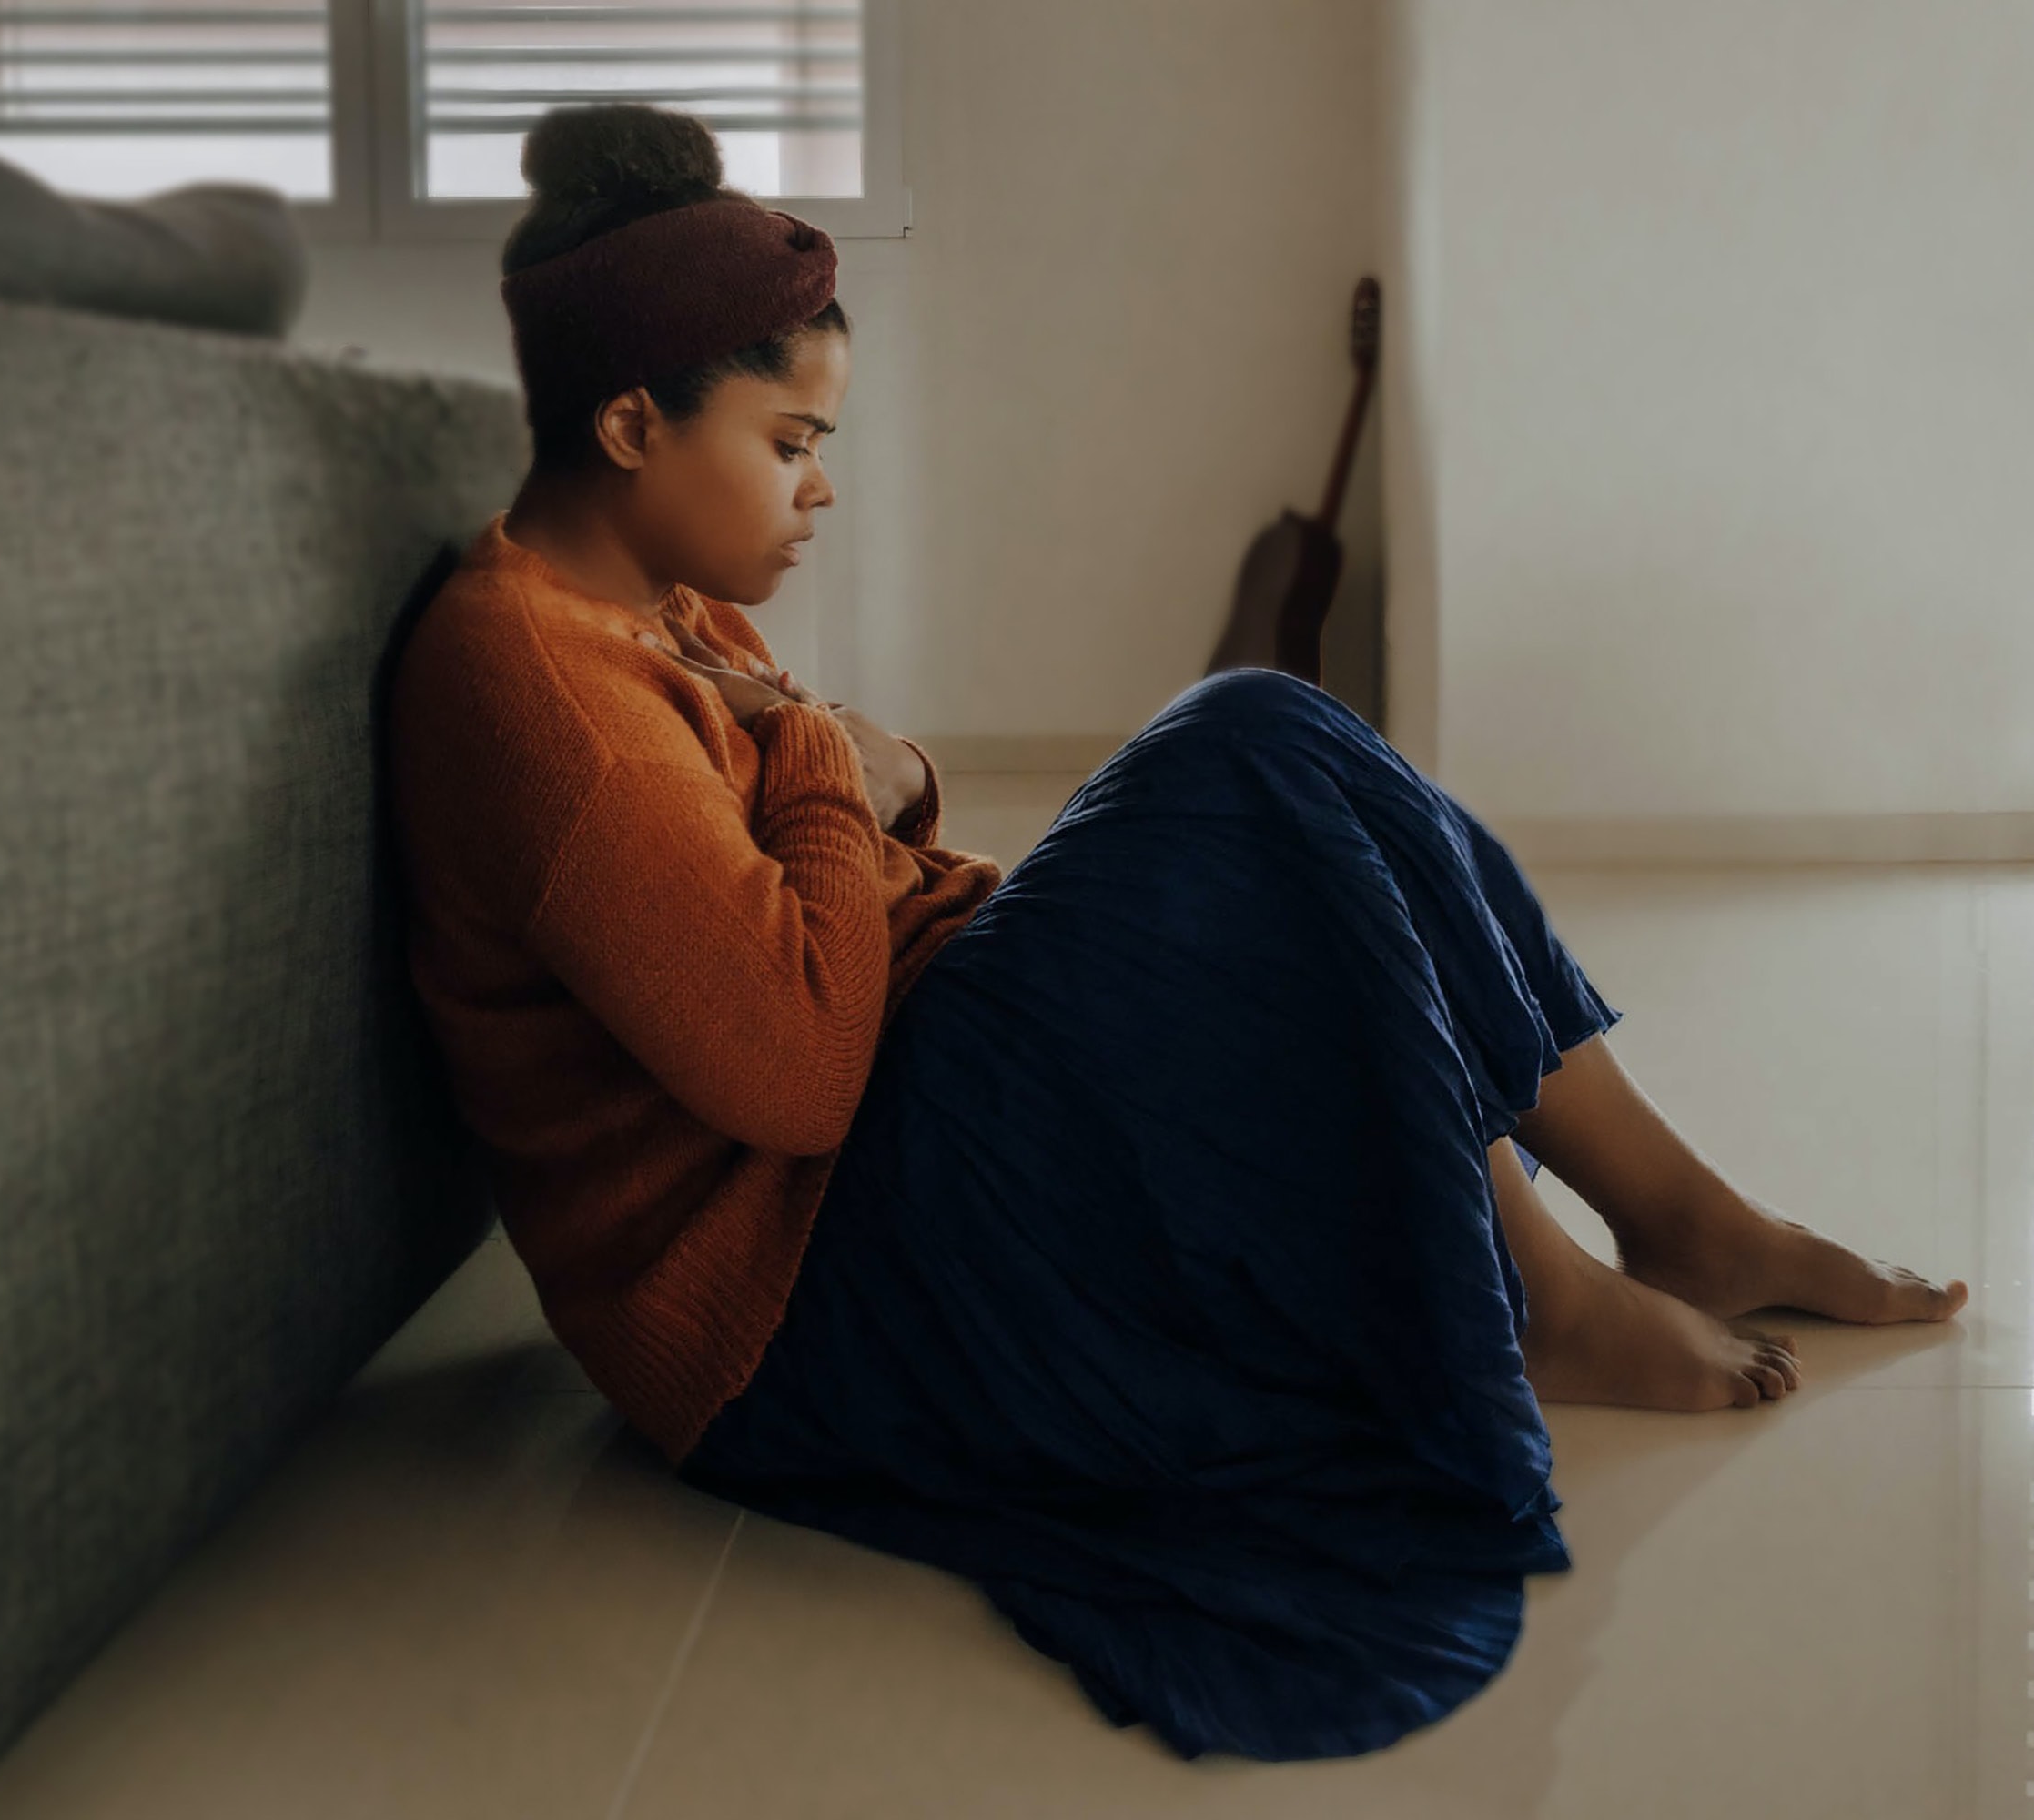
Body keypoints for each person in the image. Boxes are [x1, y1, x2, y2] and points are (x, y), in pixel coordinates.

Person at [381, 101, 1968, 1763]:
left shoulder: (649, 604)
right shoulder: (539, 690)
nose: (821, 488)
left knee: (1273, 750)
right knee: (1249, 753)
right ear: (634, 420)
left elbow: (839, 837)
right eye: (789, 443)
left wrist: (888, 777)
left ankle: (1680, 1218)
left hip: (880, 1142)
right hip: (795, 1303)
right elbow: (792, 1071)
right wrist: (825, 767)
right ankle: (1542, 1288)